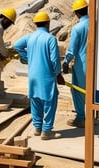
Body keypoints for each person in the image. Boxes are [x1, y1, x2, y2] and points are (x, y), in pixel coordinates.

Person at [14, 11, 63, 140]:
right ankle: (46, 131)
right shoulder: (50, 39)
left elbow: (16, 45)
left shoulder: (30, 37)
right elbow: (55, 60)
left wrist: (27, 58)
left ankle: (37, 128)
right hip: (46, 76)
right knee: (49, 102)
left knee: (35, 101)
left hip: (33, 76)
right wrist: (58, 74)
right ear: (48, 23)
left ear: (35, 24)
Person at [62, 0, 89, 128]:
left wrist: (66, 62)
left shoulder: (78, 28)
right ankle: (90, 115)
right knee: (91, 91)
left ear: (77, 13)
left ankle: (81, 118)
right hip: (95, 64)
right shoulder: (96, 24)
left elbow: (72, 49)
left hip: (82, 65)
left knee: (78, 91)